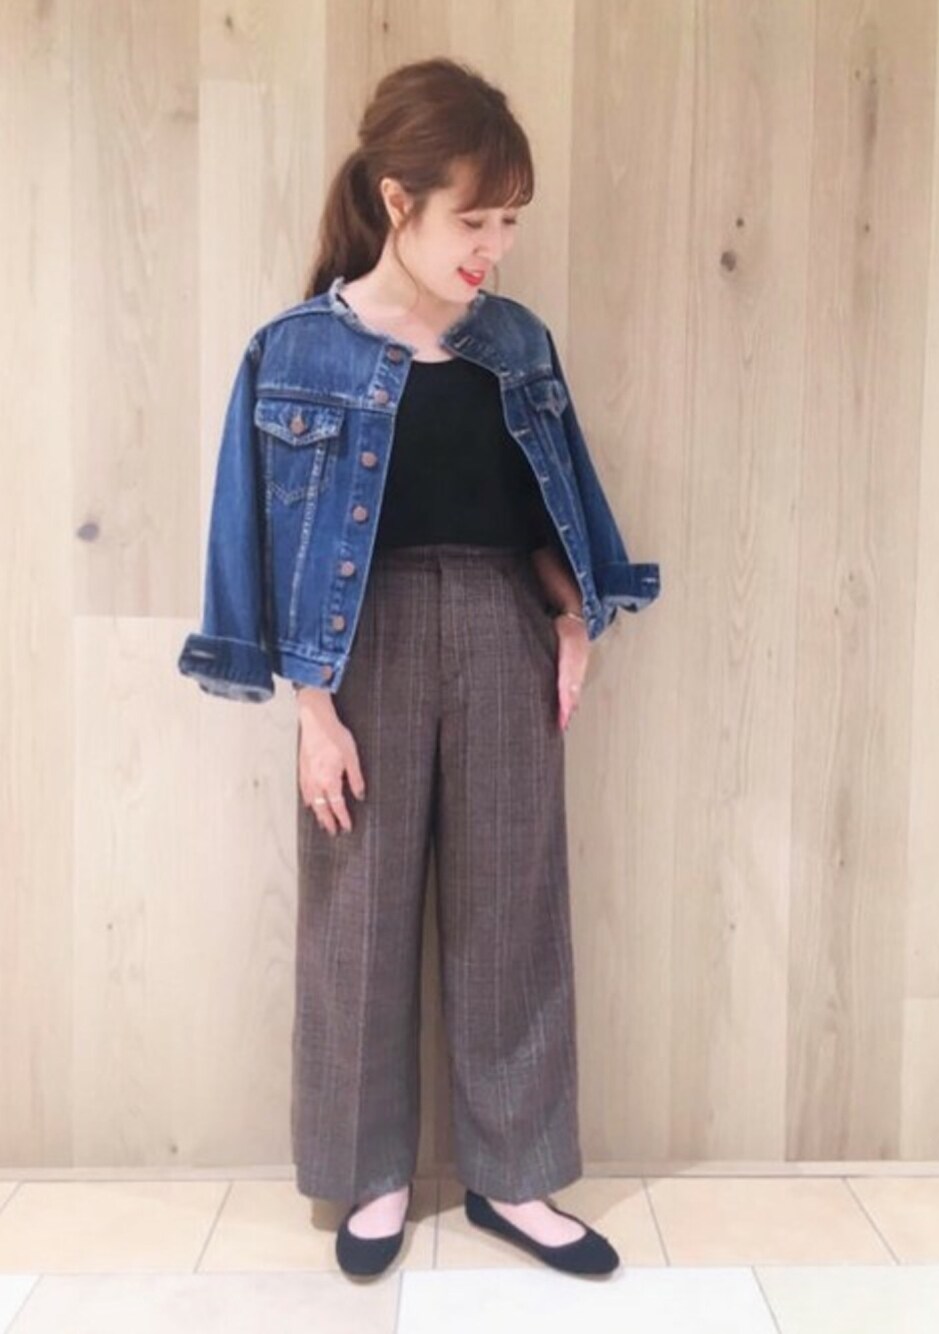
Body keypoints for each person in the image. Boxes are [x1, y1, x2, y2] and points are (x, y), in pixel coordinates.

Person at [177, 56, 660, 1279]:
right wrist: (312, 710)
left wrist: (570, 619)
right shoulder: (294, 351)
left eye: (511, 221)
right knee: (356, 912)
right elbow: (258, 541)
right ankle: (370, 1171)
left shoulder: (517, 344)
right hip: (361, 644)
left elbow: (552, 513)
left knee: (513, 910)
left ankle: (513, 1176)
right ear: (398, 201)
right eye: (474, 219)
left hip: (501, 625)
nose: (494, 247)